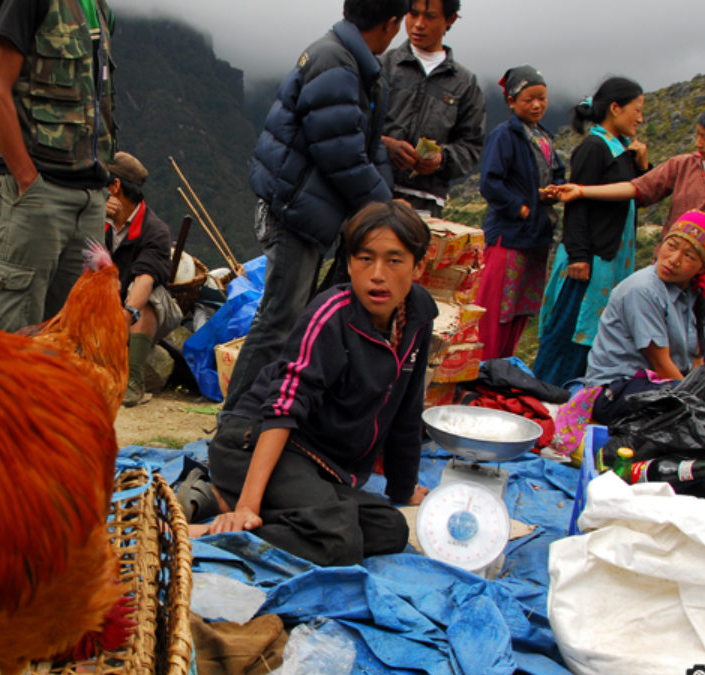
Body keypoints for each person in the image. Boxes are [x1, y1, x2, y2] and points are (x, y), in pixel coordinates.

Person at [184, 200, 435, 567]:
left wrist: (402, 489)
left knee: (389, 529)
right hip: (256, 443)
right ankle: (215, 530)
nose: (378, 274)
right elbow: (282, 409)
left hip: (325, 468)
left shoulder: (418, 315)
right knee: (338, 540)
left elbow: (407, 409)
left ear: (419, 266)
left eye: (394, 260)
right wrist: (248, 507)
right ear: (349, 263)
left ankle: (221, 498)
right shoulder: (331, 315)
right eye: (365, 259)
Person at [224, 0, 405, 412]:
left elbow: (368, 148)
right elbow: (341, 154)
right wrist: (386, 214)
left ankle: (274, 410)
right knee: (279, 319)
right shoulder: (335, 64)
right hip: (295, 210)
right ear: (391, 23)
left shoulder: (355, 65)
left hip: (312, 209)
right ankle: (237, 419)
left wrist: (387, 206)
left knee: (299, 318)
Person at [0, 0, 116, 333]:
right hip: (38, 193)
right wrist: (27, 180)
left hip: (89, 200)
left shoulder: (98, 7)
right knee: (6, 337)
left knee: (72, 340)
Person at [533, 77, 647, 387]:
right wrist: (579, 256)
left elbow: (637, 195)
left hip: (606, 263)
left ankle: (571, 405)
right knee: (568, 335)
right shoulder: (594, 148)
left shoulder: (620, 151)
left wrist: (642, 165)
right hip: (589, 263)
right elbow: (576, 204)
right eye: (636, 110)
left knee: (589, 341)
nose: (640, 117)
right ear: (615, 108)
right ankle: (544, 398)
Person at [553, 96, 705, 235]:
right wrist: (582, 190)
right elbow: (637, 188)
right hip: (673, 271)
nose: (698, 143)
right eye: (697, 135)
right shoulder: (685, 164)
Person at [581, 210, 705, 424]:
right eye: (671, 246)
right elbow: (661, 364)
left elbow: (695, 360)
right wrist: (698, 408)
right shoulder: (643, 289)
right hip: (617, 391)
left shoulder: (693, 294)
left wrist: (703, 398)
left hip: (661, 387)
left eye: (689, 256)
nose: (673, 259)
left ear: (702, 267)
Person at [474, 65, 564, 361]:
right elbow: (490, 182)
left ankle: (502, 365)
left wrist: (557, 190)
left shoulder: (544, 137)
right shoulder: (505, 136)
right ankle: (481, 368)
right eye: (529, 99)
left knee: (519, 310)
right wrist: (521, 207)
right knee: (496, 308)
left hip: (536, 237)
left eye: (542, 98)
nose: (537, 105)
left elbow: (558, 173)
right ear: (512, 101)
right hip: (509, 236)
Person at [380, 0, 485, 218]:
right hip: (374, 191)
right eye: (413, 14)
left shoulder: (464, 83)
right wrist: (386, 145)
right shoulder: (382, 66)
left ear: (450, 19)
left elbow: (471, 145)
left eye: (429, 16)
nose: (418, 24)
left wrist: (442, 158)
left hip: (426, 203)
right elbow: (355, 125)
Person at [103, 151, 183, 407]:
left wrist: (124, 317)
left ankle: (134, 380)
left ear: (115, 187)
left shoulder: (154, 230)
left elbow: (145, 279)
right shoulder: (95, 220)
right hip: (104, 311)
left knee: (148, 296)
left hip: (135, 311)